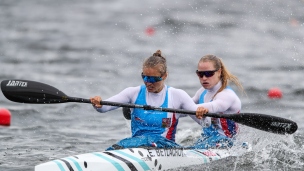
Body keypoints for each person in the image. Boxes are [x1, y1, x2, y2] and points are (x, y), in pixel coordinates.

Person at [90, 50, 207, 150]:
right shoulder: (133, 93)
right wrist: (98, 103)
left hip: (166, 149)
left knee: (150, 139)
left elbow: (204, 123)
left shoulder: (177, 96)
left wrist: (202, 114)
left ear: (165, 76)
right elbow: (104, 108)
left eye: (153, 79)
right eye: (144, 77)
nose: (148, 82)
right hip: (137, 146)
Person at [190, 54, 244, 149]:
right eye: (200, 74)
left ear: (219, 72)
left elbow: (215, 106)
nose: (204, 78)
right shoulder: (202, 92)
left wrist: (200, 108)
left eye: (209, 74)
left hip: (227, 144)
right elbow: (186, 104)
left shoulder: (226, 94)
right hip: (206, 140)